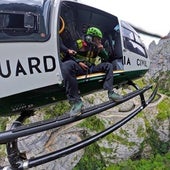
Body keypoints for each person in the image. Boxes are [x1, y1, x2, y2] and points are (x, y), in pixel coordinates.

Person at [61, 27, 122, 117]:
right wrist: (78, 62)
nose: (100, 41)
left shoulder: (97, 48)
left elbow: (106, 59)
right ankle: (76, 102)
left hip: (91, 68)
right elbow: (66, 56)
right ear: (90, 38)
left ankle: (110, 92)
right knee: (67, 65)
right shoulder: (79, 44)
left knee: (108, 65)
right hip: (80, 68)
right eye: (98, 39)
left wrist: (102, 51)